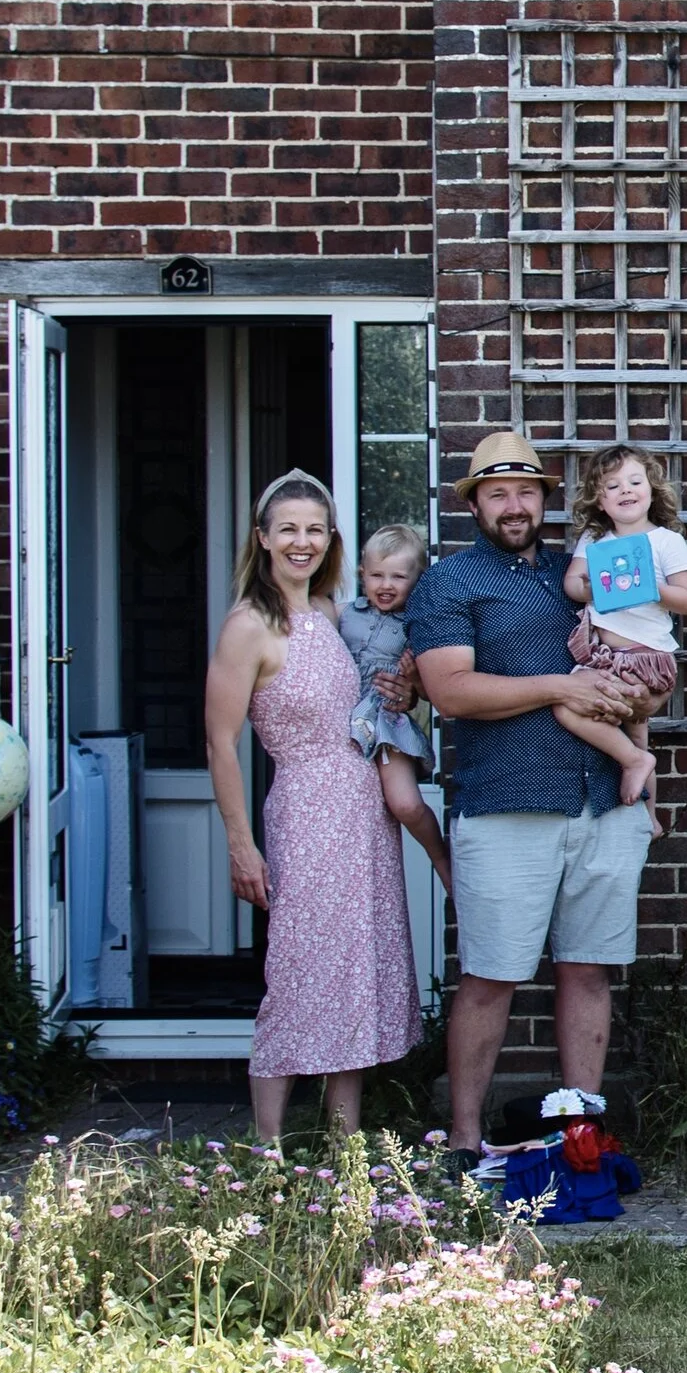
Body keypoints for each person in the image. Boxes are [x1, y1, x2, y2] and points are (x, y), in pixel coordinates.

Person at [404, 431, 656, 1164]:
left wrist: (647, 774)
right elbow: (451, 691)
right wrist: (559, 686)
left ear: (544, 498)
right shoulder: (450, 582)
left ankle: (583, 1138)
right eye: (497, 493)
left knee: (587, 967)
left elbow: (644, 645)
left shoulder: (584, 568)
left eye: (525, 492)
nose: (513, 505)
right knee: (490, 974)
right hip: (507, 803)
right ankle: (464, 1137)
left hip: (606, 799)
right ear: (475, 503)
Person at [203, 470, 423, 1142]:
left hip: (362, 810)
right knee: (298, 967)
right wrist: (242, 846)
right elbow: (219, 740)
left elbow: (367, 698)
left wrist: (403, 692)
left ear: (331, 540)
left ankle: (343, 1139)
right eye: (289, 528)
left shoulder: (332, 611)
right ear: (264, 538)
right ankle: (265, 1145)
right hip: (304, 809)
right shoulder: (249, 625)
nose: (302, 540)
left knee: (355, 965)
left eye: (315, 529)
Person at [556, 446, 687, 826]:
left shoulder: (666, 541)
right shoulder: (596, 540)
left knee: (566, 707)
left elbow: (686, 601)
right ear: (600, 501)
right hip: (603, 657)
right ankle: (650, 818)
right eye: (612, 486)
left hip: (644, 658)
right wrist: (591, 590)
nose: (626, 490)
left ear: (651, 490)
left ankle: (638, 768)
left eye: (635, 482)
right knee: (637, 742)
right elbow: (572, 583)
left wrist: (653, 588)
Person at [342, 524, 452, 893]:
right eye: (376, 575)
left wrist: (414, 677)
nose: (385, 585)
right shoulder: (343, 615)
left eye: (398, 577)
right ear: (362, 575)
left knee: (404, 804)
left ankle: (440, 858)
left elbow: (430, 688)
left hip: (386, 723)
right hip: (340, 726)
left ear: (417, 580)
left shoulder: (417, 627)